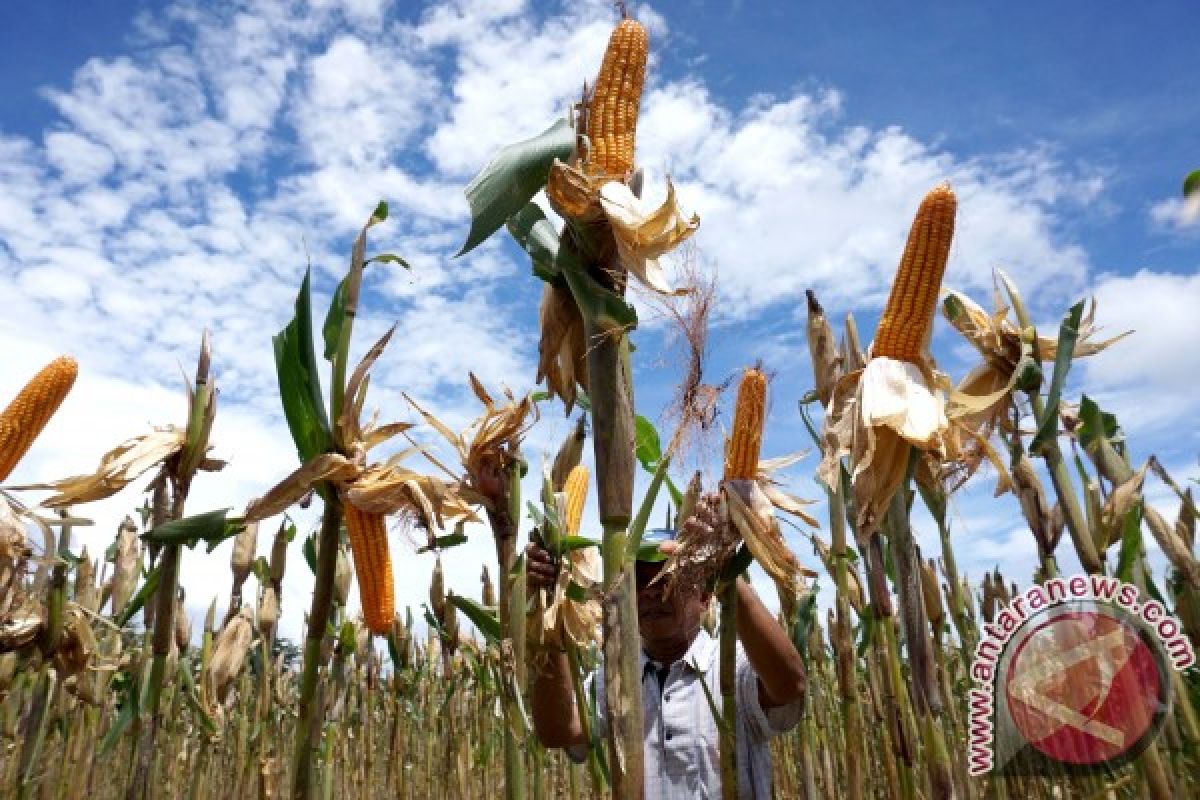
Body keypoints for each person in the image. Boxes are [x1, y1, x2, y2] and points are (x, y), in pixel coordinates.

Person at [526, 525, 807, 799]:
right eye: (639, 583)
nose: (650, 592)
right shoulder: (614, 678)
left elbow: (789, 685)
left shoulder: (733, 666)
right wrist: (548, 605)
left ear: (705, 596)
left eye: (665, 578)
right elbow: (558, 730)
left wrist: (728, 574)